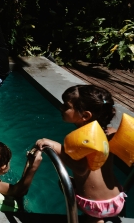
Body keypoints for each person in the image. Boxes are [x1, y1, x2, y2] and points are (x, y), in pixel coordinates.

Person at [35, 85, 126, 223]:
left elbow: (80, 168)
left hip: (95, 206)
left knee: (65, 185)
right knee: (66, 182)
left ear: (85, 115)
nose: (61, 108)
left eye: (66, 106)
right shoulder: (111, 132)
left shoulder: (81, 142)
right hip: (117, 199)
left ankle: (96, 220)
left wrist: (57, 147)